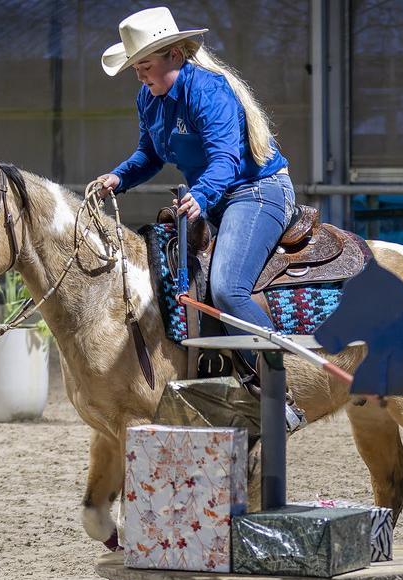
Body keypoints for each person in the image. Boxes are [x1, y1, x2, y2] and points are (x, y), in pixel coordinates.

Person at [98, 6, 304, 431]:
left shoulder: (209, 91)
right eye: (136, 68)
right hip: (210, 199)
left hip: (256, 191)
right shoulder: (149, 99)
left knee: (229, 286)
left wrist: (201, 195)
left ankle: (280, 390)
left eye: (146, 65)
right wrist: (119, 177)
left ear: (174, 54)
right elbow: (149, 156)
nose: (140, 76)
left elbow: (226, 158)